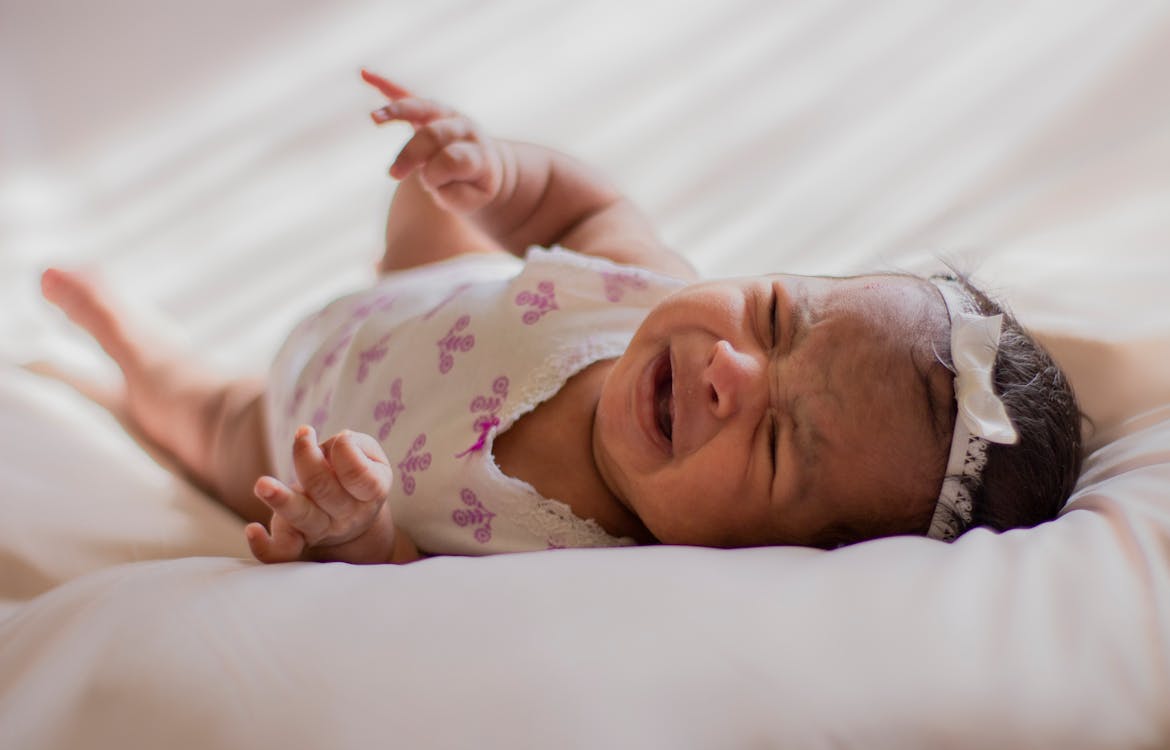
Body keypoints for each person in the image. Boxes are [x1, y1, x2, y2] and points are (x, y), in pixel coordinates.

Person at [40, 70, 1083, 565]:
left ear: (773, 554)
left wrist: (354, 525)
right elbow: (581, 208)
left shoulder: (574, 563)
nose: (732, 368)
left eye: (777, 442)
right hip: (424, 286)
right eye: (774, 315)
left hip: (294, 428)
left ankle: (132, 339)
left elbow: (398, 588)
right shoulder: (638, 288)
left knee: (197, 413)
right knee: (432, 203)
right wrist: (493, 175)